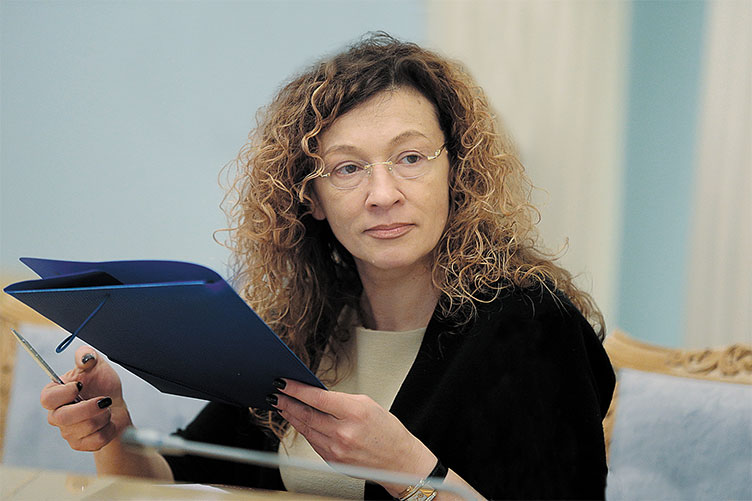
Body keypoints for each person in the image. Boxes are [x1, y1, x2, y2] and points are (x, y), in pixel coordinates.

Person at [40, 33, 615, 500]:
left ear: (455, 172)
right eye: (347, 168)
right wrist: (113, 430)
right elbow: (182, 481)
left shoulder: (534, 325)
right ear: (310, 197)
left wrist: (410, 471)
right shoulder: (307, 324)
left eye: (410, 158)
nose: (383, 194)